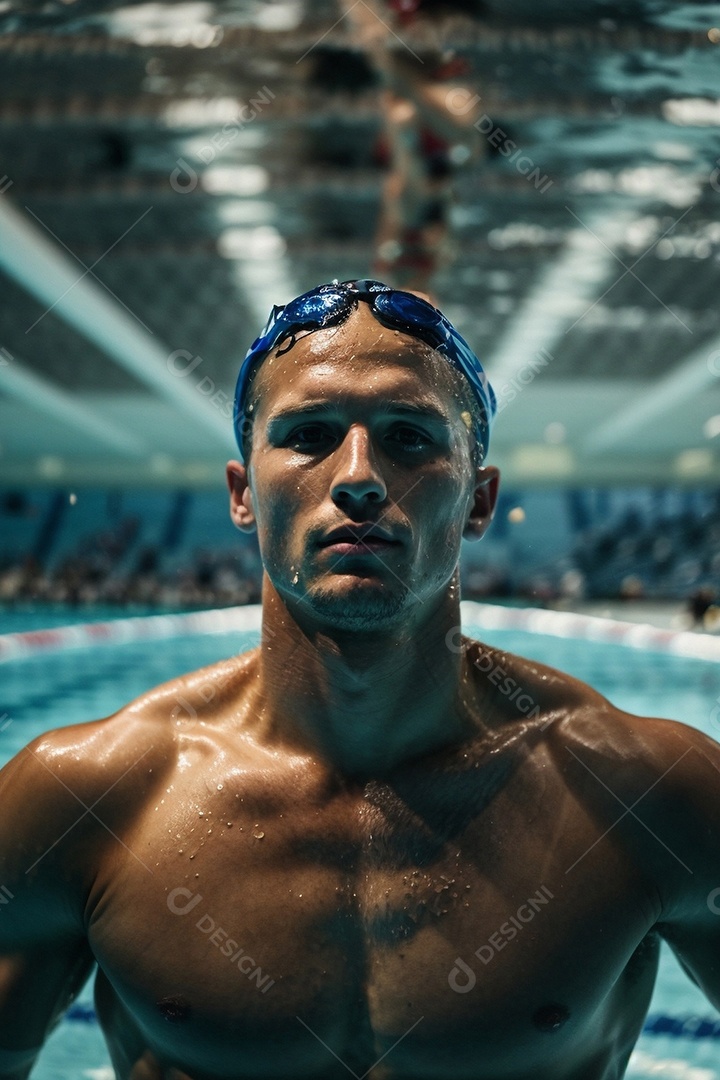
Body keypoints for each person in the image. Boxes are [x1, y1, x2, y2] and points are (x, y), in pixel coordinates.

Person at [1, 279, 720, 1080]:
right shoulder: (82, 799)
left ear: (479, 501)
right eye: (308, 434)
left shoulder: (652, 796)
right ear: (243, 494)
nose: (359, 478)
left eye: (410, 438)